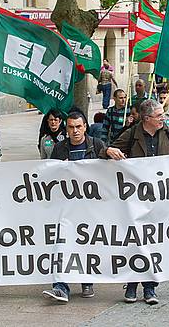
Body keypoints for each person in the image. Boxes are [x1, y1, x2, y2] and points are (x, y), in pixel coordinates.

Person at [100, 99, 169, 305]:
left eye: (163, 115)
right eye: (159, 115)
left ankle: (150, 287)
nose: (164, 118)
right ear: (146, 119)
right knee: (135, 242)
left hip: (160, 198)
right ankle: (132, 285)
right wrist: (108, 151)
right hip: (135, 199)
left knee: (153, 243)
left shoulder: (168, 134)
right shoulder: (132, 134)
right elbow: (107, 151)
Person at [43, 111, 106, 302]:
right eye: (71, 127)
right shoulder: (59, 148)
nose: (75, 131)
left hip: (90, 205)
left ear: (85, 126)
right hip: (66, 205)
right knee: (62, 244)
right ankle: (61, 286)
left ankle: (86, 280)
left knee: (87, 244)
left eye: (78, 127)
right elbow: (49, 174)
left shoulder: (96, 145)